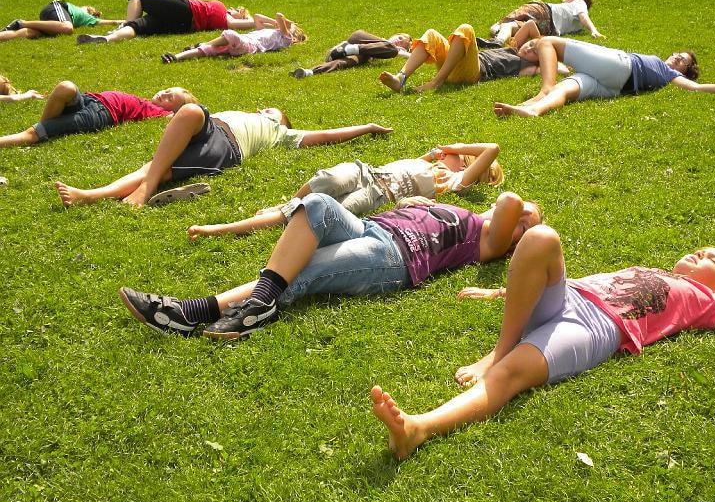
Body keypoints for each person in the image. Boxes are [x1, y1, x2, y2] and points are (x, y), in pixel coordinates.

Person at [370, 224, 715, 460]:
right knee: (542, 238)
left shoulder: (708, 302)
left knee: (512, 374)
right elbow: (577, 279)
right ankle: (498, 350)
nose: (697, 254)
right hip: (569, 296)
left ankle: (419, 427)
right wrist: (499, 291)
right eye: (701, 249)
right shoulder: (651, 270)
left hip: (596, 326)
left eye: (710, 259)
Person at [119, 191, 542, 338]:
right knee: (317, 203)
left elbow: (509, 202)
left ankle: (192, 312)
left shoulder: (488, 243)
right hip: (368, 227)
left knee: (309, 268)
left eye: (526, 226)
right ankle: (261, 303)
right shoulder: (460, 211)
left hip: (395, 258)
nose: (523, 219)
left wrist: (525, 218)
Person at [54, 104, 392, 208]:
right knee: (189, 112)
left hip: (227, 147)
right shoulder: (241, 112)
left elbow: (328, 134)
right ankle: (136, 187)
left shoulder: (282, 134)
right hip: (208, 127)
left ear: (282, 121)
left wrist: (366, 127)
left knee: (161, 169)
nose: (265, 109)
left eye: (272, 110)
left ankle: (100, 194)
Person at [186, 142, 504, 239]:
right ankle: (287, 203)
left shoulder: (453, 183)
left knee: (317, 209)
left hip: (378, 195)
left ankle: (223, 228)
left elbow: (492, 148)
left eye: (452, 155)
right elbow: (410, 165)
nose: (443, 152)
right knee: (327, 180)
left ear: (466, 164)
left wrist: (457, 147)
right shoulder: (430, 164)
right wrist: (435, 155)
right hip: (366, 171)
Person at [493, 37, 715, 119]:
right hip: (615, 88)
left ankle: (545, 89)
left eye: (682, 59)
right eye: (676, 54)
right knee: (566, 89)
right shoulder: (663, 69)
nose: (675, 57)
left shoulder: (672, 75)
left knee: (547, 42)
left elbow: (695, 87)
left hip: (622, 67)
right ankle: (534, 110)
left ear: (685, 69)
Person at [379, 24, 567, 94]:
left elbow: (559, 69)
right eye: (530, 43)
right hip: (456, 64)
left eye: (535, 51)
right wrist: (541, 41)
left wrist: (548, 55)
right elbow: (530, 25)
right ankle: (401, 78)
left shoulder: (526, 66)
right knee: (432, 34)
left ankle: (437, 81)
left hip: (473, 72)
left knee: (466, 30)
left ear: (540, 60)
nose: (528, 47)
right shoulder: (514, 48)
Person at [0, 81, 195, 148]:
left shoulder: (162, 114)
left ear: (174, 110)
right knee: (66, 87)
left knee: (32, 134)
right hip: (89, 100)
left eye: (170, 98)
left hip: (100, 114)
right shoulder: (146, 102)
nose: (163, 94)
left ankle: (38, 132)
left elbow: (187, 117)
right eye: (167, 90)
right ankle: (46, 129)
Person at [75, 0, 258, 44]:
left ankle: (124, 26)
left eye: (238, 10)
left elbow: (241, 23)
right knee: (139, 26)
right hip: (183, 26)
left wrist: (250, 18)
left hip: (186, 10)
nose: (234, 8)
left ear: (241, 17)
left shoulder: (226, 19)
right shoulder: (223, 20)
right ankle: (107, 39)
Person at [161, 13, 306, 63]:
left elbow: (279, 15)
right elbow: (257, 17)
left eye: (289, 27)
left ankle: (201, 44)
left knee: (230, 34)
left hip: (249, 46)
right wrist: (273, 23)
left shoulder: (286, 39)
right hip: (242, 42)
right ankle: (176, 57)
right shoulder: (270, 31)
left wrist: (286, 22)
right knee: (209, 50)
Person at [489, 0, 604, 46]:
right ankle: (499, 40)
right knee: (510, 26)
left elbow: (583, 16)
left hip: (545, 11)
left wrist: (594, 31)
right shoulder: (578, 27)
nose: (563, 0)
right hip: (548, 29)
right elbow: (582, 19)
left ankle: (497, 27)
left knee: (519, 13)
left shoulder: (580, 2)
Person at [290, 30, 411, 79]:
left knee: (347, 63)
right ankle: (348, 49)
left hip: (360, 53)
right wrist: (398, 50)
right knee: (392, 49)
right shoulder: (382, 42)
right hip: (357, 39)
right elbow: (394, 50)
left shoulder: (390, 51)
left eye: (403, 44)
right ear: (395, 34)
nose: (399, 41)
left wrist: (403, 52)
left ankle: (309, 72)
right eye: (400, 37)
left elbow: (409, 56)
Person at [1, 0, 122, 42]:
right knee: (67, 28)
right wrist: (129, 22)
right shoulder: (78, 10)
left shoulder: (90, 19)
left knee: (31, 33)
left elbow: (111, 22)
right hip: (57, 7)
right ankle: (21, 22)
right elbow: (113, 22)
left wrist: (127, 22)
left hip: (53, 21)